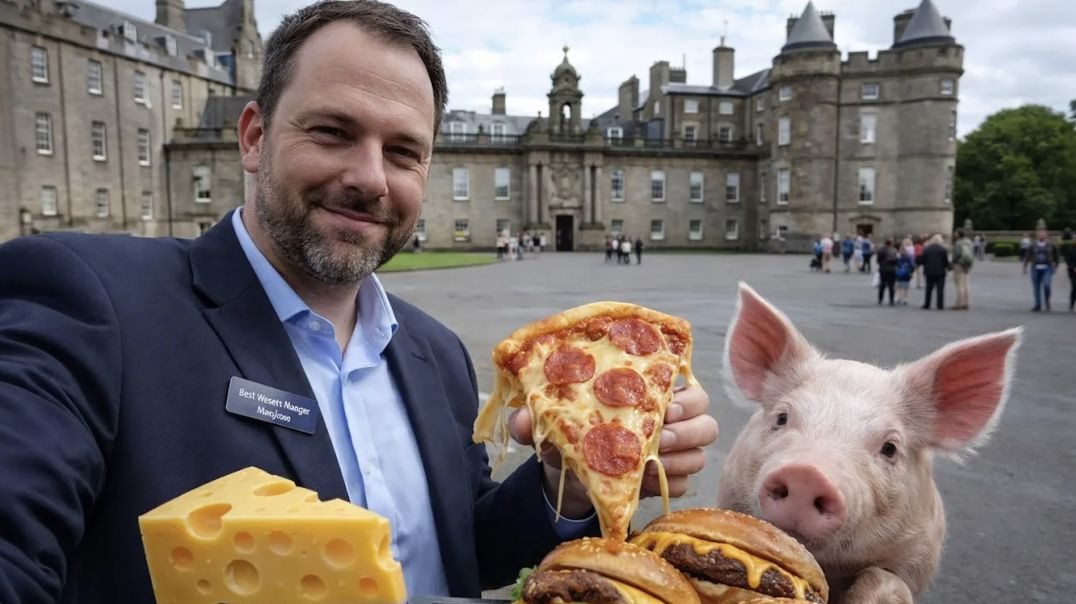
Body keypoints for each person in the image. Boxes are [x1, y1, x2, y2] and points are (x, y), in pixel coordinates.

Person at [0, 2, 718, 602]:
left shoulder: (433, 353)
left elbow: (463, 547)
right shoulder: (93, 299)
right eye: (333, 132)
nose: (369, 178)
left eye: (403, 151)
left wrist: (567, 479)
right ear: (254, 138)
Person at [1023, 228, 1060, 311]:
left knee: (1047, 284)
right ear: (1037, 235)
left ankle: (1047, 301)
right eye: (1040, 233)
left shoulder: (1051, 245)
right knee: (1036, 287)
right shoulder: (1032, 245)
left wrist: (1056, 266)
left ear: (1047, 235)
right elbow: (1027, 256)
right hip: (1035, 267)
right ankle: (1037, 304)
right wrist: (1025, 267)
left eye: (1043, 233)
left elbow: (1056, 256)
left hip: (1047, 267)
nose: (1041, 235)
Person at [918, 234, 950, 310]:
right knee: (940, 289)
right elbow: (945, 261)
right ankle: (940, 304)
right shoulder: (943, 249)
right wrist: (948, 267)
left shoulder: (927, 249)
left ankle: (927, 304)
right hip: (940, 271)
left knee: (928, 289)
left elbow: (923, 260)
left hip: (929, 271)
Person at [951, 228, 974, 310]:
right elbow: (972, 254)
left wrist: (952, 264)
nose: (954, 234)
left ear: (958, 234)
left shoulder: (958, 242)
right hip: (967, 265)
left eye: (955, 233)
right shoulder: (970, 242)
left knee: (959, 285)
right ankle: (966, 303)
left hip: (959, 265)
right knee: (966, 284)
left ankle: (959, 304)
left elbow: (956, 255)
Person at [875, 238, 898, 305]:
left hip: (883, 269)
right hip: (892, 270)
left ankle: (880, 300)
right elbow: (896, 261)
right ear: (891, 243)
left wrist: (882, 263)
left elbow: (878, 260)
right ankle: (891, 300)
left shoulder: (881, 250)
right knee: (891, 286)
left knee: (882, 285)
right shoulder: (894, 250)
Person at [895, 239, 915, 305]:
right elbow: (912, 265)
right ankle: (905, 299)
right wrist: (912, 272)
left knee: (898, 286)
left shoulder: (897, 256)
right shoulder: (908, 256)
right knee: (905, 287)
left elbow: (895, 264)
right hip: (906, 273)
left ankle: (898, 298)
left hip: (898, 273)